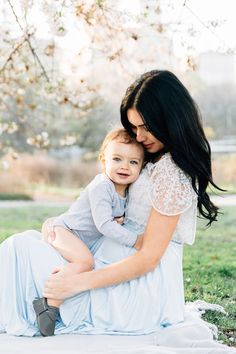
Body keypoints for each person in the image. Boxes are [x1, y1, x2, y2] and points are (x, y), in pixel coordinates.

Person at [0, 70, 224, 347]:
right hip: (110, 263)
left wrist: (77, 283)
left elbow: (149, 257)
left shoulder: (172, 172)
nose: (140, 137)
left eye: (146, 126)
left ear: (170, 118)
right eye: (134, 128)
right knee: (24, 244)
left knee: (19, 249)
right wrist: (62, 223)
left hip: (136, 287)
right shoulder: (155, 159)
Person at [33, 128, 145, 336]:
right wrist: (135, 240)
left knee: (86, 261)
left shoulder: (126, 190)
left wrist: (118, 220)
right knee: (85, 263)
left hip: (81, 237)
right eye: (117, 159)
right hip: (67, 231)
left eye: (133, 162)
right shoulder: (101, 186)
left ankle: (54, 296)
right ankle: (49, 304)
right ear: (104, 161)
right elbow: (104, 224)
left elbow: (111, 216)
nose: (124, 166)